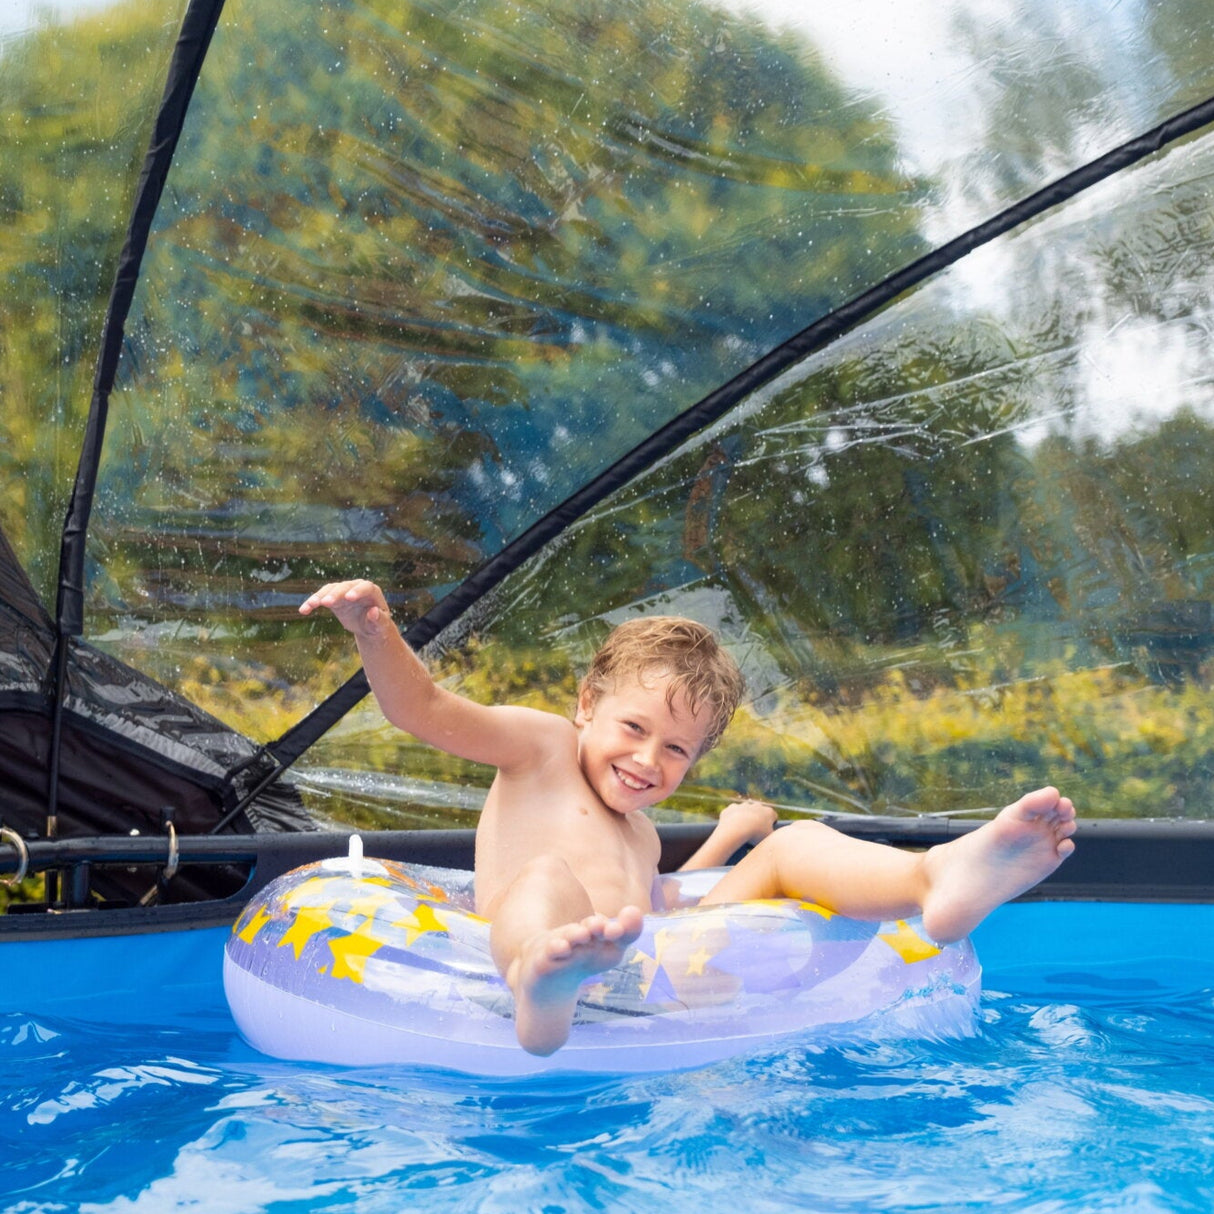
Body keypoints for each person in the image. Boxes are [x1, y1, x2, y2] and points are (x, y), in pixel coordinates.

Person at [300, 580, 1078, 1056]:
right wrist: (376, 630)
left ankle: (934, 877)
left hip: (644, 968)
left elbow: (665, 902)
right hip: (545, 955)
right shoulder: (539, 749)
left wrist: (733, 844)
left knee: (796, 842)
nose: (647, 759)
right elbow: (424, 710)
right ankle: (542, 981)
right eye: (633, 729)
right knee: (545, 882)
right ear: (585, 704)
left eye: (676, 749)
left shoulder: (638, 832)